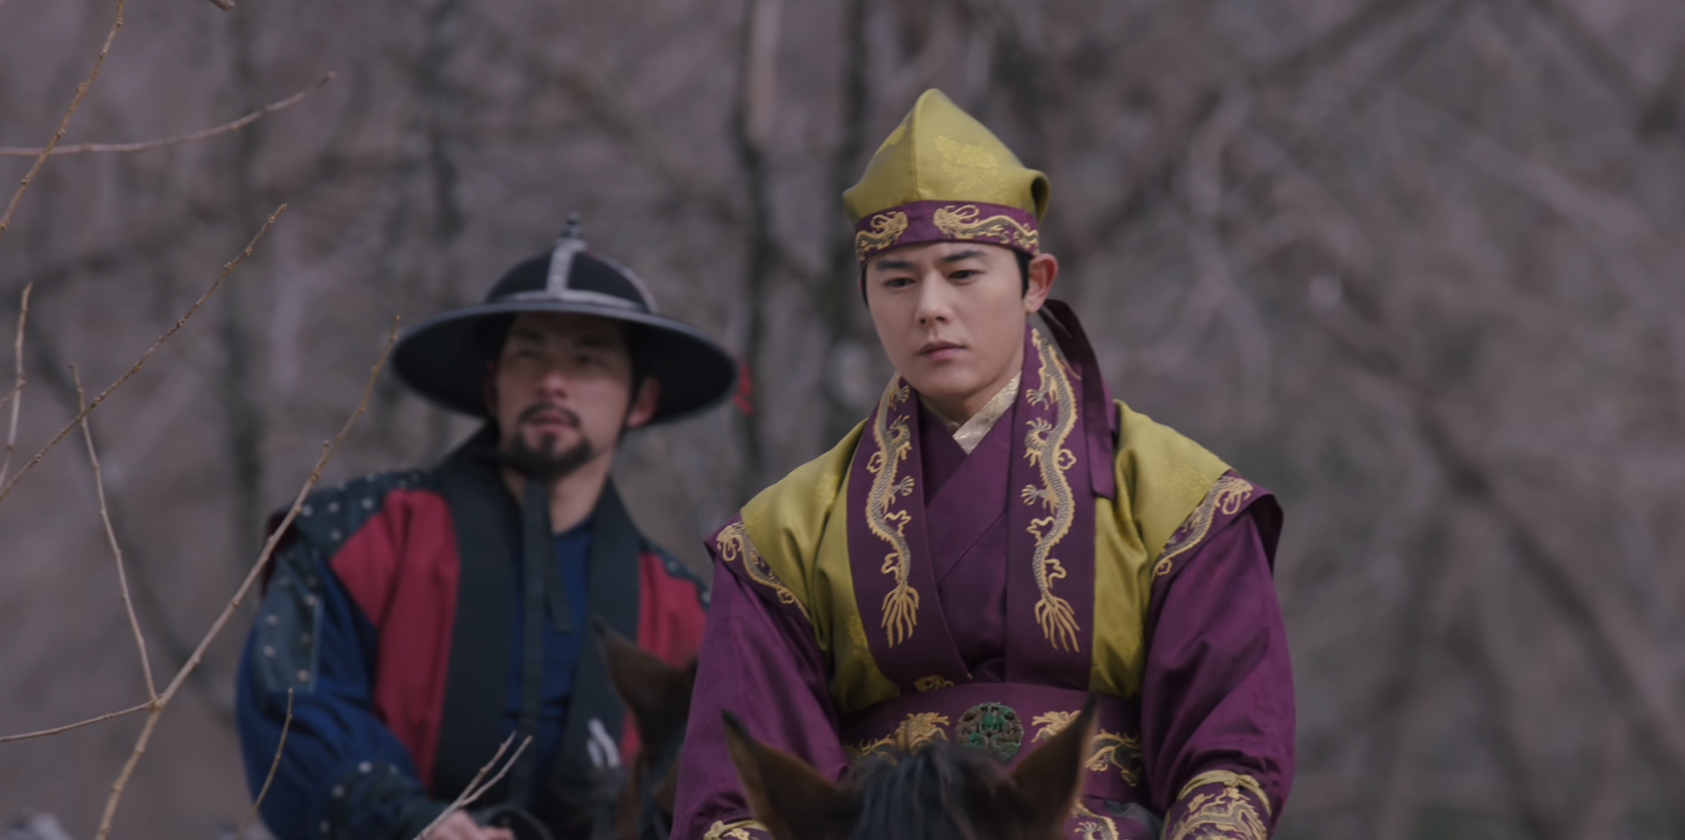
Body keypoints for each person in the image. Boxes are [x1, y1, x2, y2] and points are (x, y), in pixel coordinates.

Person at [671, 91, 1294, 840]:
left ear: (1036, 282)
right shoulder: (782, 536)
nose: (929, 307)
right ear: (866, 295)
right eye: (897, 280)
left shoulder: (1178, 499)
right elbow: (734, 796)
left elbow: (1231, 755)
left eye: (962, 273)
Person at [235, 219, 737, 840]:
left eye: (587, 358)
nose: (552, 381)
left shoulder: (687, 613)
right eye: (529, 354)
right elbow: (295, 710)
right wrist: (412, 823)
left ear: (641, 399)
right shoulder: (357, 540)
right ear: (493, 384)